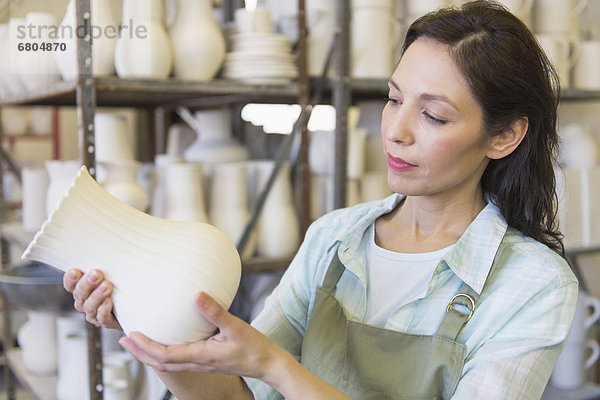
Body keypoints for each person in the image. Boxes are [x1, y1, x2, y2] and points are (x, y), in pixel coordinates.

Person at [64, 1, 578, 399]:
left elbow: (269, 370)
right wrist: (153, 331)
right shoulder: (335, 238)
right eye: (394, 99)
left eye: (434, 116)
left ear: (504, 136)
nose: (396, 131)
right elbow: (240, 395)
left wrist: (275, 365)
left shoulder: (532, 283)